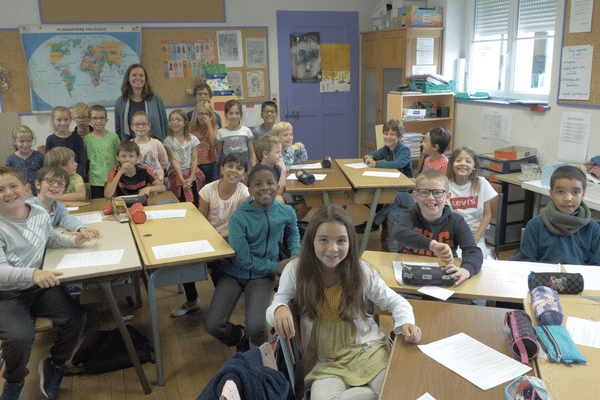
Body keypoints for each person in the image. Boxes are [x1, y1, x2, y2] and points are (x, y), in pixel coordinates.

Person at [266, 204, 421, 400]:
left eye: (341, 240)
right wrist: (279, 308)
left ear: (350, 242)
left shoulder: (360, 270)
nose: (333, 249)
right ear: (311, 240)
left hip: (366, 350)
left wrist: (406, 322)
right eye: (324, 240)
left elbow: (397, 302)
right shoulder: (296, 270)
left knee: (397, 391)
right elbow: (276, 306)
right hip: (323, 360)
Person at [0, 166, 92, 400]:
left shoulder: (39, 213)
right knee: (19, 337)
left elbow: (49, 237)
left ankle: (55, 364)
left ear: (27, 189)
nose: (8, 193)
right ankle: (14, 382)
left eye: (13, 186)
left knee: (76, 318)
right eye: (0, 189)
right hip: (7, 293)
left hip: (37, 287)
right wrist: (32, 274)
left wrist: (74, 241)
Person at [204, 165, 300, 352]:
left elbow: (293, 233)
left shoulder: (286, 212)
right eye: (258, 184)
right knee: (213, 325)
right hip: (234, 272)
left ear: (277, 186)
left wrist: (295, 253)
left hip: (261, 277)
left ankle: (267, 361)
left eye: (270, 182)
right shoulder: (239, 218)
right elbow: (244, 260)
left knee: (256, 328)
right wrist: (276, 267)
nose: (265, 187)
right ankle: (239, 336)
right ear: (249, 190)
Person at [170, 153, 250, 317]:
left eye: (239, 168)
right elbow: (202, 219)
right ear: (221, 169)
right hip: (210, 234)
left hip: (233, 236)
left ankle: (223, 300)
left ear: (244, 174)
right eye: (229, 166)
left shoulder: (244, 194)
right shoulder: (208, 189)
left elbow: (240, 226)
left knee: (215, 260)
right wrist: (204, 236)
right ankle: (192, 300)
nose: (233, 171)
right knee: (185, 257)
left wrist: (218, 236)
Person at [393, 169, 483, 286]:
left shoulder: (456, 221)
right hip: (409, 272)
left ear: (447, 197)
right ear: (415, 196)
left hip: (442, 274)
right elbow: (398, 232)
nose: (430, 198)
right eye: (424, 192)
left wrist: (466, 270)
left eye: (437, 192)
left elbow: (473, 251)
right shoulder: (410, 215)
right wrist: (433, 245)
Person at [520, 165, 600, 264]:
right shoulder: (535, 226)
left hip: (580, 279)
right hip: (544, 278)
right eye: (560, 192)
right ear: (551, 194)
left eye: (575, 192)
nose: (568, 198)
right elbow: (527, 263)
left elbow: (596, 268)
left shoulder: (594, 229)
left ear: (583, 195)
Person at [355, 119, 412, 235]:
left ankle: (375, 223)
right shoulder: (386, 149)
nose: (388, 137)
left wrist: (377, 163)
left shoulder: (404, 150)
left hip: (405, 187)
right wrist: (367, 158)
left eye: (392, 134)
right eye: (386, 133)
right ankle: (382, 223)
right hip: (392, 184)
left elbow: (398, 164)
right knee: (365, 194)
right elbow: (373, 155)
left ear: (400, 137)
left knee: (376, 197)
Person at [447, 147, 497, 257]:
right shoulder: (445, 185)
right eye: (458, 160)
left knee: (476, 257)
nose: (463, 164)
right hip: (452, 234)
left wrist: (475, 239)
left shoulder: (481, 183)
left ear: (474, 166)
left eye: (468, 161)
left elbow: (487, 215)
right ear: (451, 164)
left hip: (475, 233)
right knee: (452, 257)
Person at [26, 165, 100, 238]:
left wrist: (81, 229)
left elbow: (66, 218)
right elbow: (35, 230)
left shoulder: (58, 206)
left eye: (60, 183)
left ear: (64, 191)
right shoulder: (29, 207)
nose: (55, 185)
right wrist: (62, 234)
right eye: (50, 181)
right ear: (38, 184)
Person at [115, 64, 169, 142]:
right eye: (134, 75)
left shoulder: (156, 98)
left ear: (145, 79)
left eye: (141, 75)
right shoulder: (120, 102)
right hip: (130, 147)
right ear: (128, 79)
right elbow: (118, 128)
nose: (138, 78)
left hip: (154, 144)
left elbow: (164, 122)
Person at [163, 109, 203, 207]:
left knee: (195, 201)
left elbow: (194, 160)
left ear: (185, 122)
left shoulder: (193, 139)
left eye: (178, 120)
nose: (174, 123)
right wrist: (181, 178)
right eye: (171, 120)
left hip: (191, 174)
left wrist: (191, 177)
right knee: (179, 201)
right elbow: (174, 160)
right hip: (177, 174)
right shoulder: (168, 141)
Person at [84, 105, 121, 199]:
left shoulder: (113, 137)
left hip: (113, 179)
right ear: (89, 121)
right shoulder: (87, 139)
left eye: (101, 118)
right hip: (95, 181)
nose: (98, 121)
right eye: (95, 118)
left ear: (106, 120)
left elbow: (121, 156)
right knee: (99, 206)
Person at [45, 106, 87, 178]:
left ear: (71, 120)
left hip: (75, 176)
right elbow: (49, 163)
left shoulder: (77, 138)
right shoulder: (50, 139)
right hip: (57, 178)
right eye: (59, 120)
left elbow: (82, 161)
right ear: (52, 120)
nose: (63, 123)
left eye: (66, 119)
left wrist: (78, 177)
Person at [5, 125, 44, 196]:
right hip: (18, 195)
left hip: (38, 194)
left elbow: (46, 174)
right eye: (21, 141)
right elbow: (7, 178)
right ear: (14, 141)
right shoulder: (11, 159)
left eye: (29, 141)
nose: (25, 144)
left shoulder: (39, 156)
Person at [130, 111, 170, 182]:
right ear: (132, 127)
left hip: (157, 181)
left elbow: (164, 162)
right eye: (137, 124)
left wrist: (157, 172)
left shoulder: (156, 143)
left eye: (144, 124)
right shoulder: (129, 144)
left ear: (149, 127)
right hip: (137, 182)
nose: (140, 127)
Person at [216, 99, 257, 168]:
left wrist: (253, 168)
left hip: (243, 166)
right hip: (228, 166)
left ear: (241, 114)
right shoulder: (221, 132)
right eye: (231, 113)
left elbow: (252, 153)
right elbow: (219, 153)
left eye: (237, 113)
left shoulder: (246, 131)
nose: (234, 116)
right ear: (226, 115)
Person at [189, 101, 219, 184]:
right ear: (196, 115)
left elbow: (214, 143)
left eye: (207, 114)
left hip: (212, 163)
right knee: (201, 189)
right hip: (197, 164)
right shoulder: (190, 129)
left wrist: (209, 125)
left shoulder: (214, 127)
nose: (204, 116)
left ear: (211, 115)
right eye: (201, 114)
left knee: (213, 188)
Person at [254, 135, 286, 204]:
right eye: (277, 152)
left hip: (270, 198)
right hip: (260, 202)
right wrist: (283, 171)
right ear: (265, 154)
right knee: (279, 199)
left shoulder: (274, 168)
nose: (281, 155)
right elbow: (279, 192)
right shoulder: (258, 172)